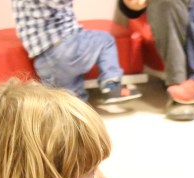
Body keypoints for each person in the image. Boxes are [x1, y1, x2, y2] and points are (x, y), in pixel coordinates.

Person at [13, 0, 143, 104]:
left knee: (73, 103)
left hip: (43, 60)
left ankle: (72, 123)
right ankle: (112, 86)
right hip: (65, 45)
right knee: (106, 41)